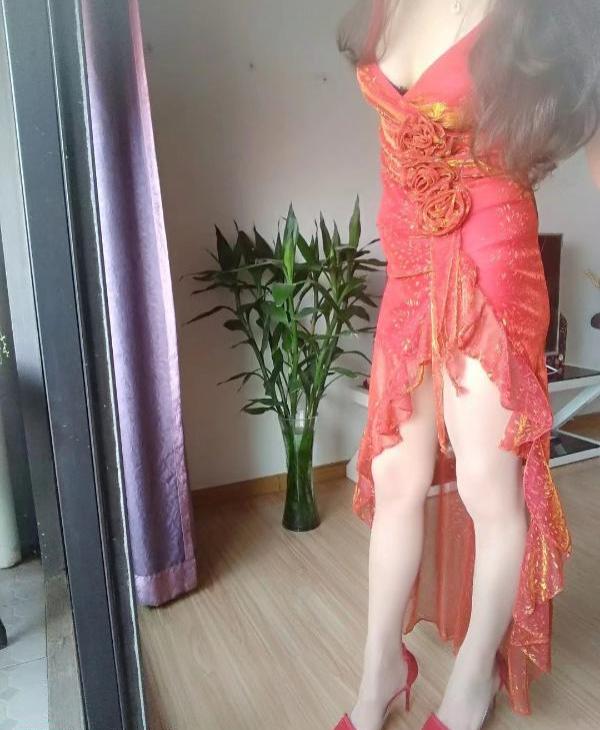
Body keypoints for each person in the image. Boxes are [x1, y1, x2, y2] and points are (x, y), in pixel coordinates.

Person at [334, 1, 600, 729]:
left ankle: (473, 678)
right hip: (410, 262)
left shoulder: (537, 16)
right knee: (395, 475)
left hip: (488, 263)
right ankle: (380, 672)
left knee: (488, 484)